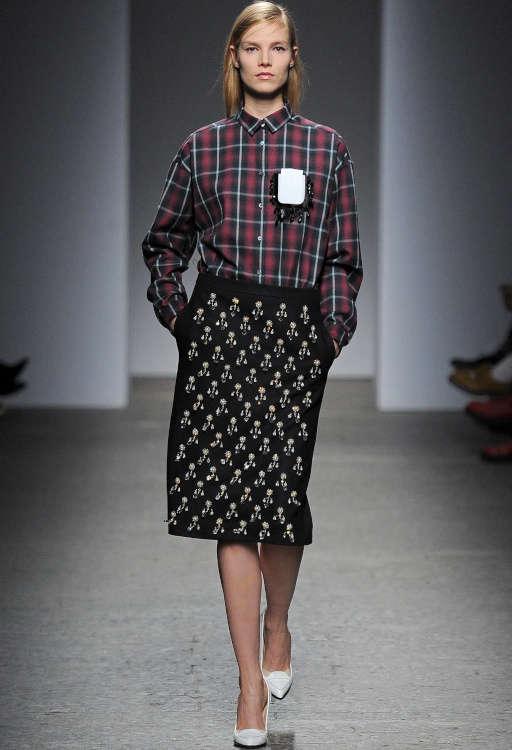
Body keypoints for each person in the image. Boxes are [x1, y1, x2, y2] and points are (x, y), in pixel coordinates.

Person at [142, 2, 362, 745]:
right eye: (252, 48)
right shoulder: (201, 148)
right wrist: (184, 322)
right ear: (234, 58)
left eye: (278, 47)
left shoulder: (327, 148)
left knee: (281, 500)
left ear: (293, 58)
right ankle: (247, 686)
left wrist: (329, 335)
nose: (265, 60)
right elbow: (163, 245)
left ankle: (278, 623)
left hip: (295, 336)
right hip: (221, 338)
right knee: (229, 510)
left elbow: (343, 257)